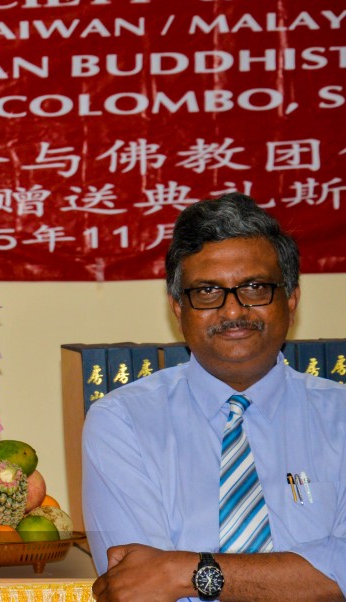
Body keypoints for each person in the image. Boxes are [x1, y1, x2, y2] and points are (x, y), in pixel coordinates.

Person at [82, 193, 345, 602]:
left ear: (291, 299)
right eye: (207, 291)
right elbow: (136, 586)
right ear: (177, 308)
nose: (233, 311)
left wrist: (185, 572)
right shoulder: (121, 421)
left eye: (255, 287)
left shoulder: (340, 417)